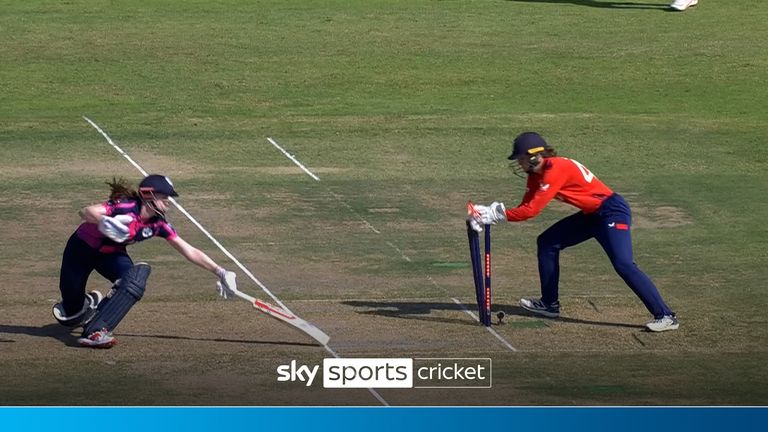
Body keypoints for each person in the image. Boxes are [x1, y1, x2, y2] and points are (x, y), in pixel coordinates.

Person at [470, 132, 678, 332]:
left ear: (534, 156)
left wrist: (498, 214)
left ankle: (666, 316)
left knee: (623, 263)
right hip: (592, 215)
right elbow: (525, 206)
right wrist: (491, 212)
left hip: (612, 212)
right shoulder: (535, 175)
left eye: (521, 158)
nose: (519, 163)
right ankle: (550, 304)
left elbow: (531, 211)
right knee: (547, 242)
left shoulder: (555, 168)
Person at [53, 174, 237, 348]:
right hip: (80, 249)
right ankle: (86, 303)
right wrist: (104, 222)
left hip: (111, 255)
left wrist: (220, 271)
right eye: (164, 196)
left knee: (134, 280)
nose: (168, 201)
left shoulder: (158, 224)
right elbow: (85, 211)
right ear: (148, 194)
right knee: (71, 314)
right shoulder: (125, 207)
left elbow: (188, 249)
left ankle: (96, 330)